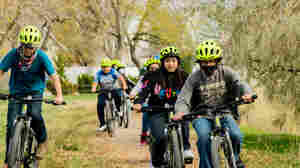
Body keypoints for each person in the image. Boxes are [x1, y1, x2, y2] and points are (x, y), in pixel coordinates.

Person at [173, 40, 255, 168]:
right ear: (199, 63)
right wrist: (180, 111)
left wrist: (247, 93)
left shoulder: (226, 72)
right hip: (201, 114)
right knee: (204, 138)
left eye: (211, 61)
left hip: (224, 111)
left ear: (217, 61)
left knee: (236, 135)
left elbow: (239, 83)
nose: (208, 64)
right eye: (204, 62)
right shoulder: (194, 77)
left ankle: (235, 158)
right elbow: (184, 97)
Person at [0, 25, 64, 168]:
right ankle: (7, 160)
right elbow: (1, 71)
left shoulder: (41, 56)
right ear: (21, 45)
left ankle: (41, 140)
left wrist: (59, 95)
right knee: (11, 125)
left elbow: (54, 76)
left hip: (35, 90)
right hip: (16, 91)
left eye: (32, 47)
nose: (29, 49)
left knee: (34, 113)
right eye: (27, 46)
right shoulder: (13, 54)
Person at [132, 47, 194, 168]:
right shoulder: (153, 76)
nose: (170, 64)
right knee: (159, 137)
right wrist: (138, 102)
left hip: (178, 108)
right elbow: (144, 91)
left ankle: (186, 147)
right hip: (157, 109)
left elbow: (192, 92)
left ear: (178, 62)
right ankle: (157, 162)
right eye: (167, 61)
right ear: (162, 62)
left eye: (173, 61)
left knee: (184, 121)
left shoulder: (184, 76)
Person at [130, 56, 160, 145]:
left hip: (160, 101)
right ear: (148, 69)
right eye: (152, 68)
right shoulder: (145, 78)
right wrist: (132, 94)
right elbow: (138, 87)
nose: (154, 70)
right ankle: (144, 135)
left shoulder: (162, 77)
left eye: (156, 68)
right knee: (145, 116)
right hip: (146, 100)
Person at [91, 58, 127, 131]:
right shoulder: (98, 74)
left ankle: (118, 110)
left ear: (110, 67)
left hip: (113, 89)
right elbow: (95, 82)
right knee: (100, 105)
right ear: (101, 67)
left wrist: (124, 86)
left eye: (107, 66)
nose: (105, 68)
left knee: (117, 95)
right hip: (103, 90)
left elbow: (121, 78)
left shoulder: (113, 72)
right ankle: (102, 124)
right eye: (103, 67)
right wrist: (93, 89)